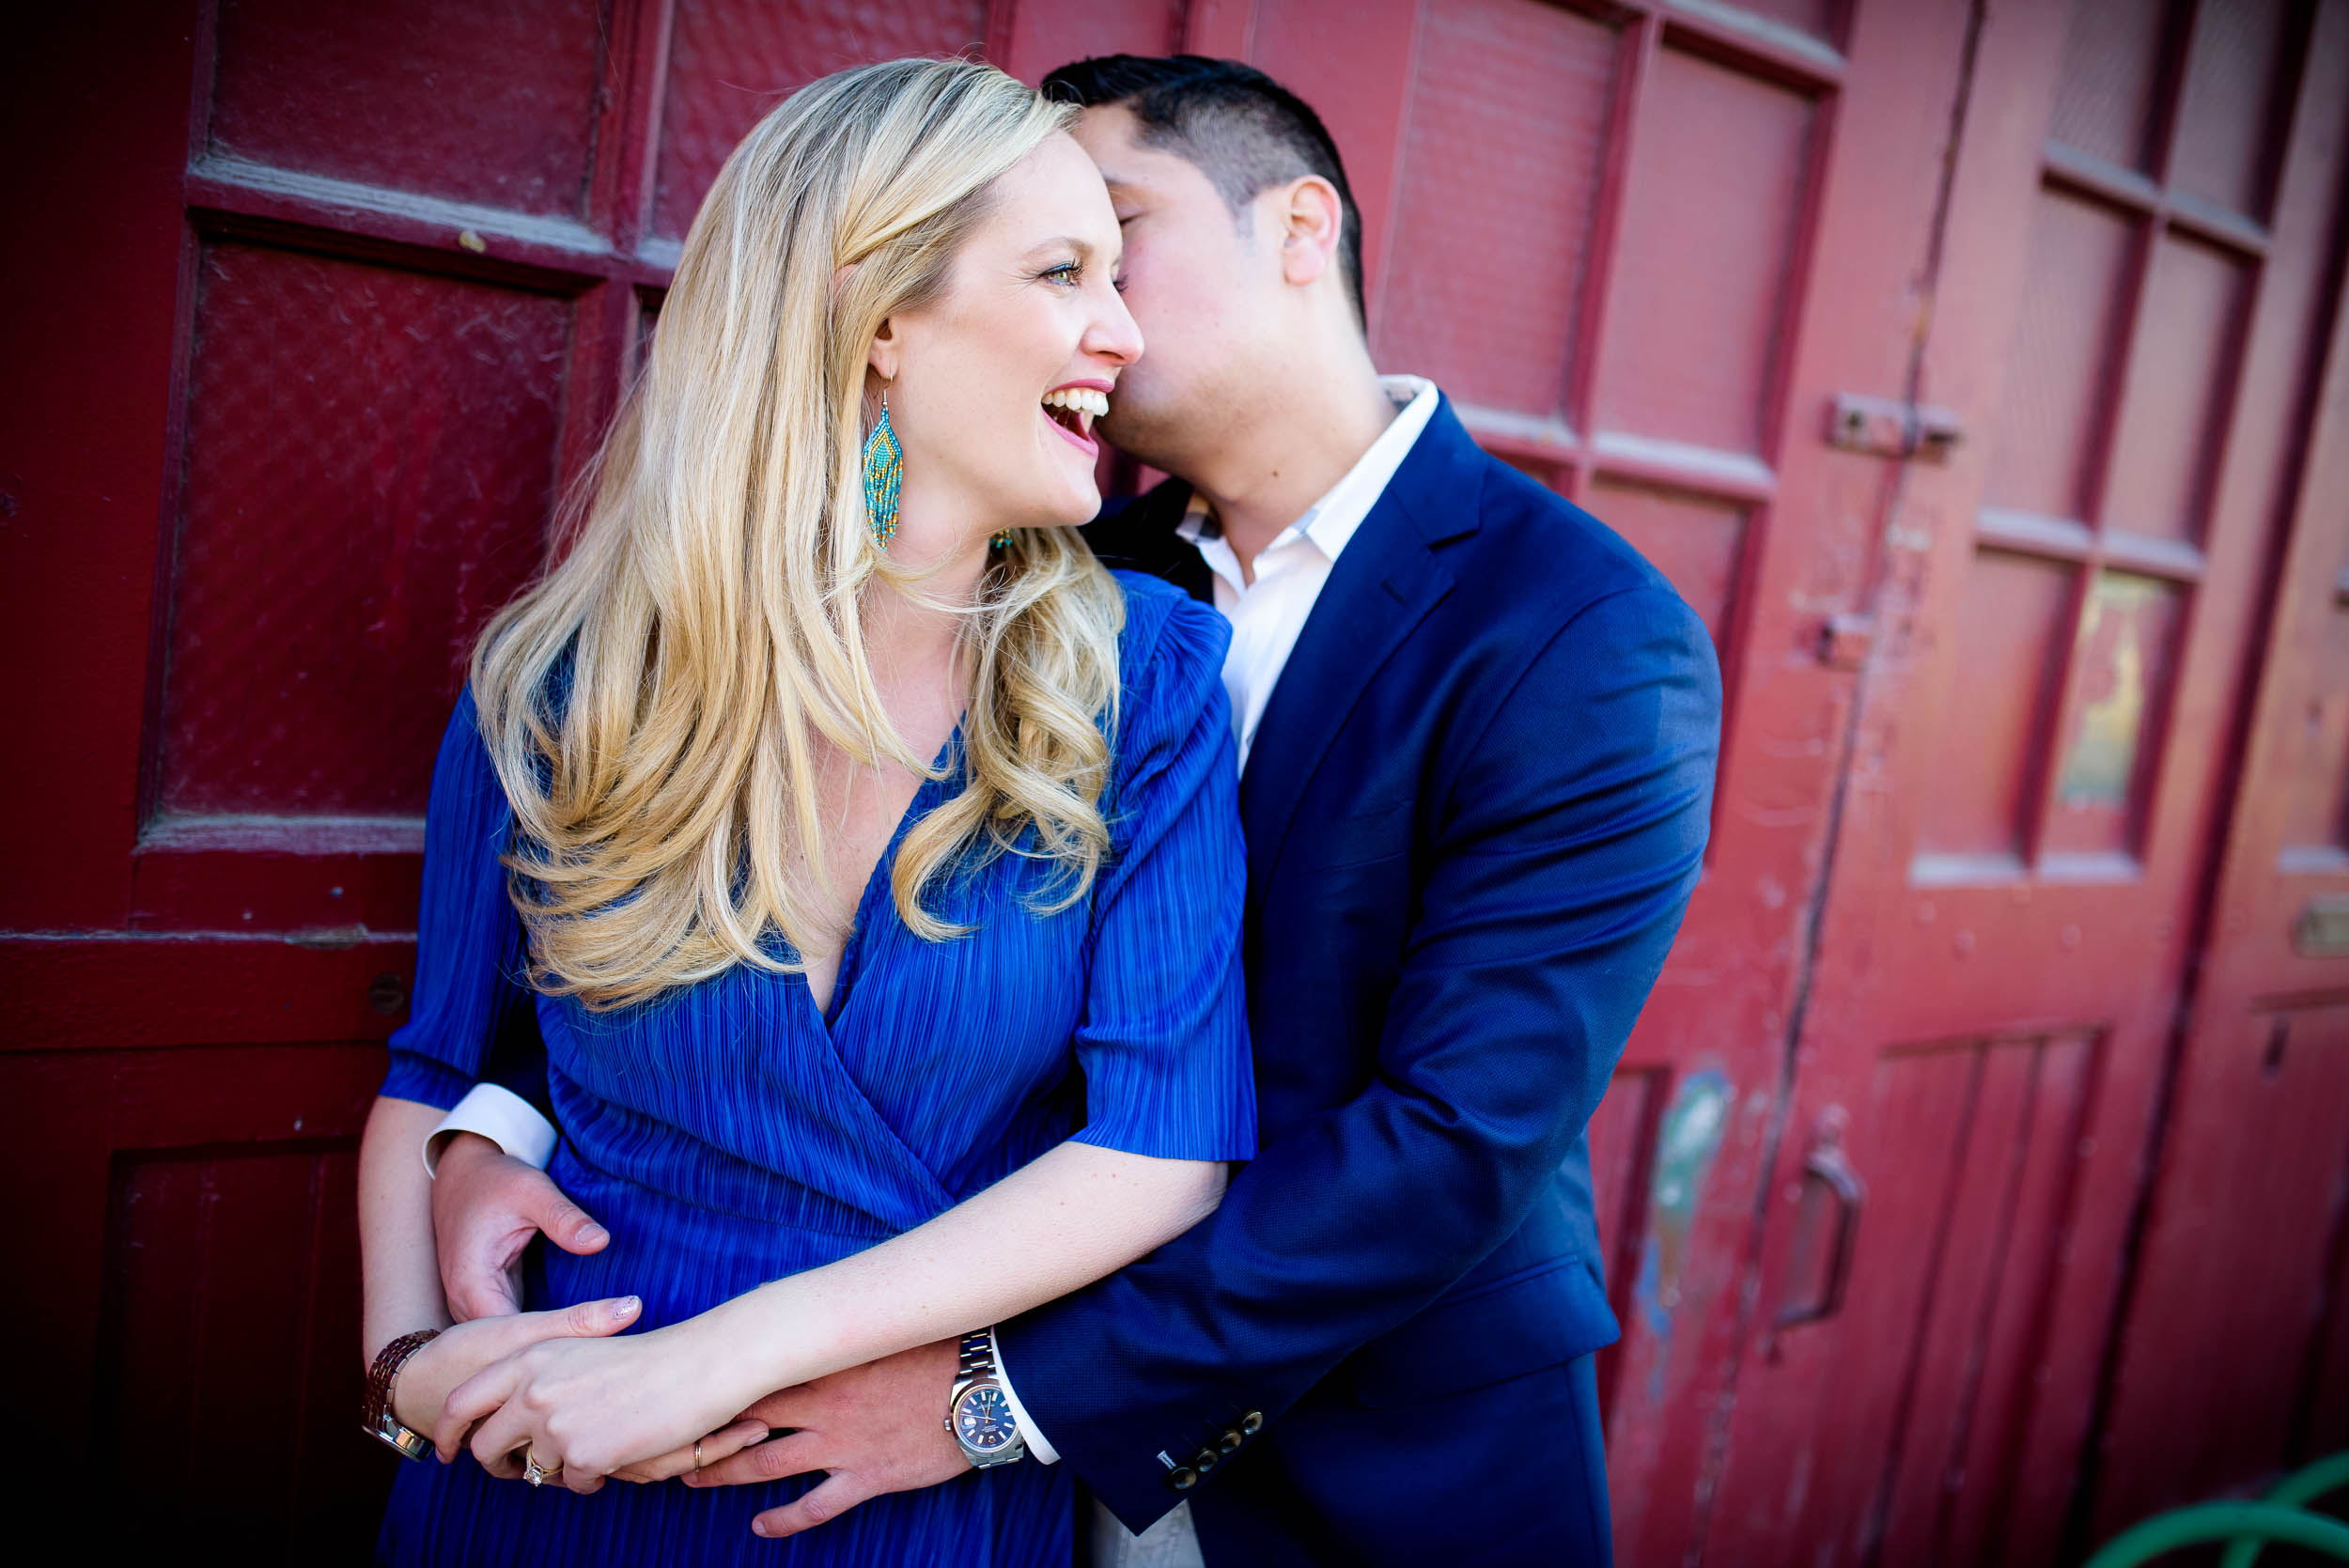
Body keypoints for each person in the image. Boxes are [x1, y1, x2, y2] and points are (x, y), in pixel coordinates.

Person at [428, 54, 1721, 1568]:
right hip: (931, 1419)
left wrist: (993, 1399)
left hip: (1356, 1451)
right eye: (1059, 260)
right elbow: (690, 851)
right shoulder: (1053, 551)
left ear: (1301, 229)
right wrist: (487, 1118)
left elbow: (1453, 1137)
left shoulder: (1575, 627)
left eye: (1118, 233)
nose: (1101, 313)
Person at [355, 56, 1258, 1568]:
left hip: (903, 1497)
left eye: (1118, 271)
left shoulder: (1145, 681)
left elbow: (1161, 1148)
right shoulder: (564, 687)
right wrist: (402, 1366)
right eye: (1063, 272)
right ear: (877, 315)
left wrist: (723, 1355)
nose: (1125, 330)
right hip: (549, 1484)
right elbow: (435, 1067)